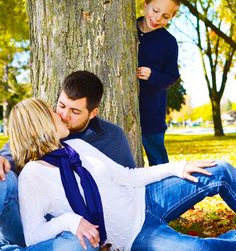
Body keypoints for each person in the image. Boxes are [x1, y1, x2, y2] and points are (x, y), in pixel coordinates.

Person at [9, 98, 236, 251]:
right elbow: (33, 235)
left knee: (220, 170)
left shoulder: (77, 146)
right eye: (52, 113)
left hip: (146, 197)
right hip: (137, 234)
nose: (61, 115)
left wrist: (177, 167)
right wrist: (70, 221)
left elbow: (128, 176)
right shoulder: (32, 175)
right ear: (40, 124)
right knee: (199, 248)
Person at [0, 71, 135, 250]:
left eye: (75, 111)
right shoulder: (45, 127)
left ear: (93, 112)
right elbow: (14, 152)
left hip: (74, 233)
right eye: (61, 106)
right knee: (3, 178)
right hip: (31, 225)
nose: (64, 115)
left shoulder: (112, 137)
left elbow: (130, 184)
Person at [137, 0, 181, 166]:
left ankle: (166, 189)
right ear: (146, 3)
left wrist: (153, 76)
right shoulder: (125, 28)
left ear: (171, 18)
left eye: (165, 16)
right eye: (155, 10)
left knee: (158, 160)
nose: (157, 18)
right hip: (123, 109)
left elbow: (172, 75)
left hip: (151, 114)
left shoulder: (168, 42)